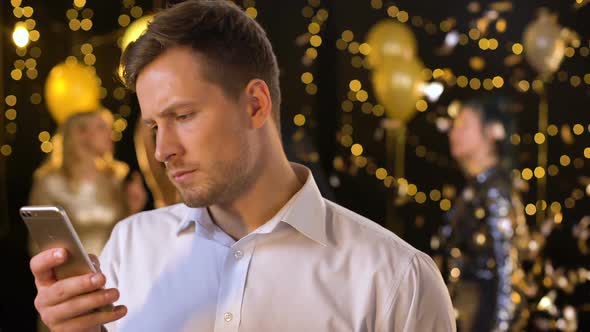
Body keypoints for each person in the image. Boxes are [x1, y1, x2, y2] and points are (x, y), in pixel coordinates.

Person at [29, 1, 455, 331]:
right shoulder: (129, 247)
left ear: (254, 104)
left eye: (182, 116)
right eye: (154, 125)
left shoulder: (398, 281)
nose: (162, 150)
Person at [435, 98, 529, 331]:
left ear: (490, 133)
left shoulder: (495, 190)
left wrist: (500, 326)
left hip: (482, 314)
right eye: (454, 125)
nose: (454, 132)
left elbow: (507, 269)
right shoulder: (474, 188)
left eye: (464, 125)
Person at [29, 109, 147, 256]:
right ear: (81, 134)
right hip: (71, 274)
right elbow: (39, 243)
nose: (111, 135)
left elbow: (121, 235)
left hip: (113, 270)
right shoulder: (50, 182)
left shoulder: (114, 178)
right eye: (102, 128)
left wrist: (133, 208)